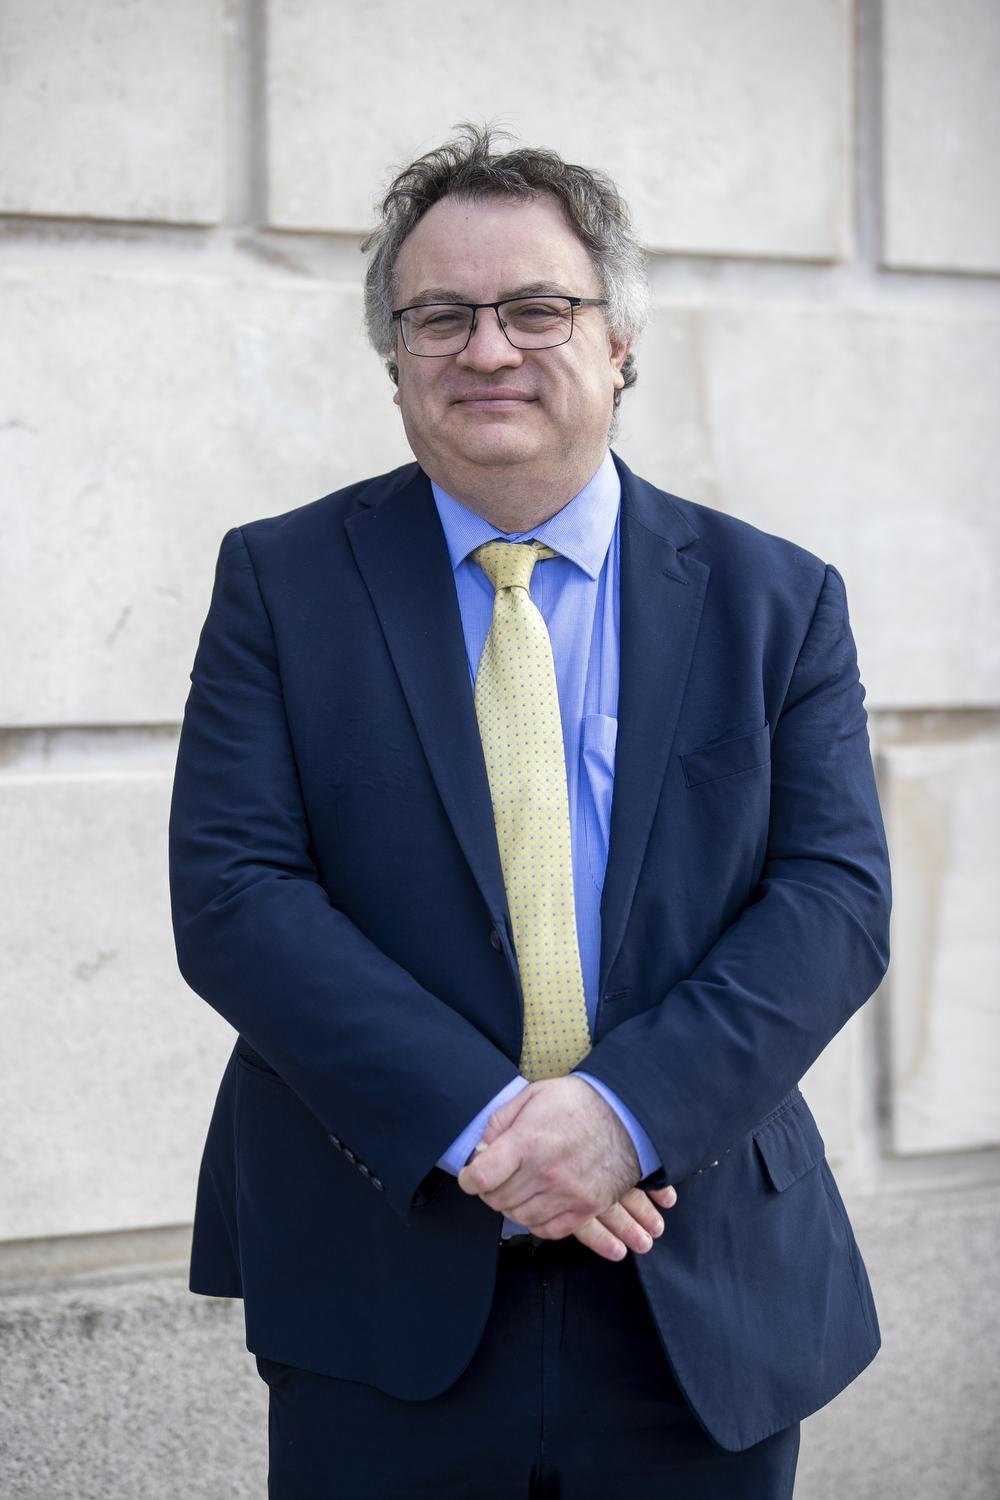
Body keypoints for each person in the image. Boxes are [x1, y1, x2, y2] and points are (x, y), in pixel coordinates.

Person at [169, 125, 890, 1499]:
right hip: (384, 1263)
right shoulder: (280, 581)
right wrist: (495, 1130)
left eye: (537, 308)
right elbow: (236, 896)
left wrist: (621, 1113)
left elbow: (834, 900)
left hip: (696, 1275)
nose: (487, 349)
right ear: (394, 356)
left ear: (619, 341)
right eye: (439, 315)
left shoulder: (775, 600)